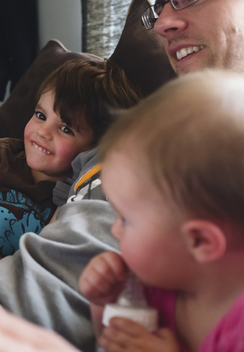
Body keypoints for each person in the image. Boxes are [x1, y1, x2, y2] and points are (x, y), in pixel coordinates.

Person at [0, 0, 244, 350]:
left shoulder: (172, 170)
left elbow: (13, 306)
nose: (161, 23)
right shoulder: (128, 152)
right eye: (161, 4)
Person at [79, 70, 244, 352]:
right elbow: (107, 343)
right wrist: (105, 303)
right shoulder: (157, 281)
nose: (114, 229)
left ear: (200, 241)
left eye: (126, 219)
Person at [0, 60, 140, 256]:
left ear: (94, 149)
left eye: (65, 129)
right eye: (40, 116)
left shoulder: (71, 202)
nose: (43, 132)